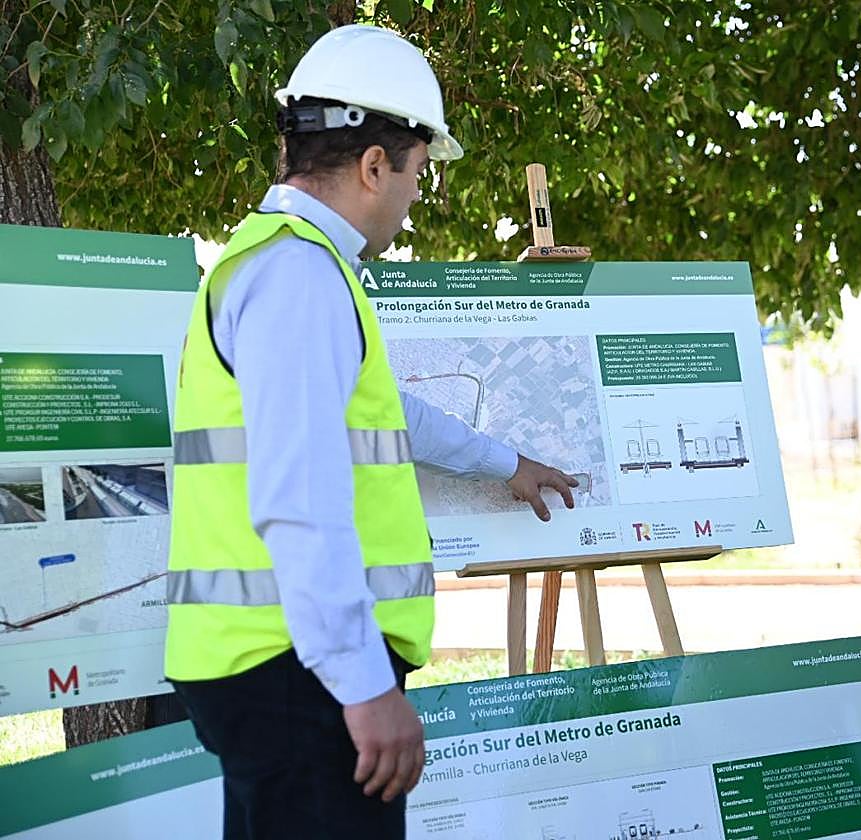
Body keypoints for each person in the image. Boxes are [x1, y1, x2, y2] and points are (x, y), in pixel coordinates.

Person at [164, 25, 577, 838]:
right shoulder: (299, 277)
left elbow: (388, 416)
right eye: (418, 172)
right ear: (374, 165)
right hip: (297, 673)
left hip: (272, 664)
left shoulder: (284, 263)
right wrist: (364, 686)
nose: (417, 196)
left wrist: (507, 461)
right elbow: (298, 500)